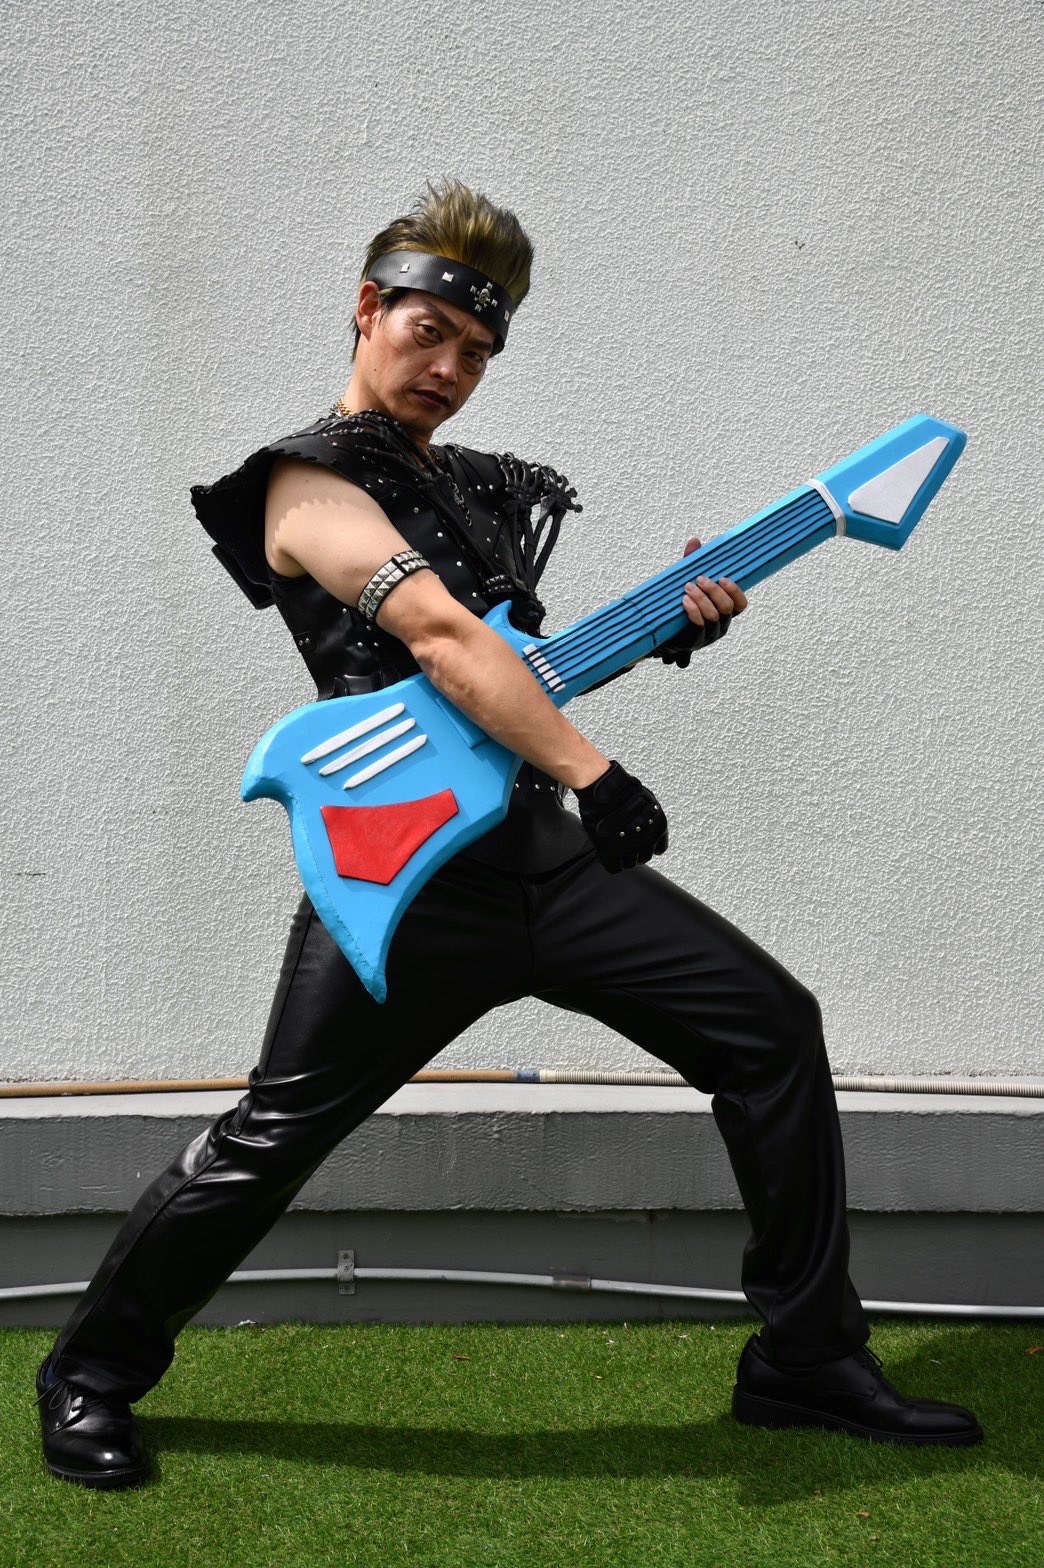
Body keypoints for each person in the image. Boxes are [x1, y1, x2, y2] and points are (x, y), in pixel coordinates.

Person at [35, 179, 982, 1489]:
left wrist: (668, 625)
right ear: (368, 310)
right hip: (407, 883)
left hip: (544, 858)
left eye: (477, 351)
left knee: (771, 1029)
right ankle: (90, 1372)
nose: (450, 368)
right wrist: (597, 772)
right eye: (429, 332)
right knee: (273, 1138)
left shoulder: (470, 490)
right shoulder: (307, 488)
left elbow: (507, 681)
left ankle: (807, 1357)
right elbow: (440, 640)